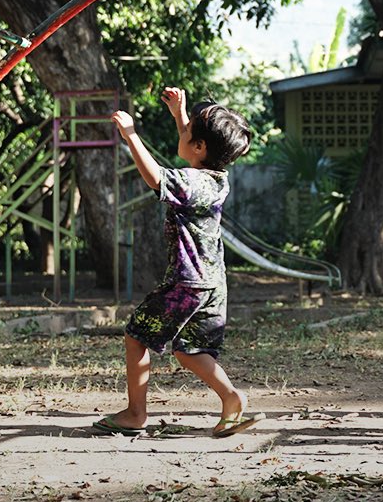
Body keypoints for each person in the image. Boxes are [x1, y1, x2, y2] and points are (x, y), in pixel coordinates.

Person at [94, 87, 263, 439]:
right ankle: (231, 399)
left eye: (187, 133)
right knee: (190, 350)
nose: (182, 134)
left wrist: (130, 135)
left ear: (200, 147)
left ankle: (135, 414)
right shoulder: (217, 177)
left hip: (187, 281)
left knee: (136, 336)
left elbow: (156, 177)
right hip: (212, 280)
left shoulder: (192, 182)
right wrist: (180, 116)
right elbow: (196, 149)